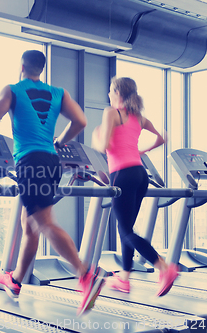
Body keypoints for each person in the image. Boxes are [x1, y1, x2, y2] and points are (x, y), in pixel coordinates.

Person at [0, 50, 106, 316]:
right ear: (42, 68)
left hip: (29, 161)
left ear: (22, 66)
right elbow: (81, 121)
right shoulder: (58, 92)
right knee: (29, 224)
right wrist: (61, 141)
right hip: (52, 161)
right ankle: (15, 280)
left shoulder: (13, 90)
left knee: (44, 223)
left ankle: (85, 275)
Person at [91, 76, 178, 296]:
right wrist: (141, 152)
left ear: (118, 93)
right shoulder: (138, 117)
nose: (109, 94)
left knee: (126, 229)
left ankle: (164, 267)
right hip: (140, 175)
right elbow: (162, 138)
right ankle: (125, 279)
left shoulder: (112, 113)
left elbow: (103, 146)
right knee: (126, 228)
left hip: (122, 175)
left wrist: (95, 135)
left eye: (111, 90)